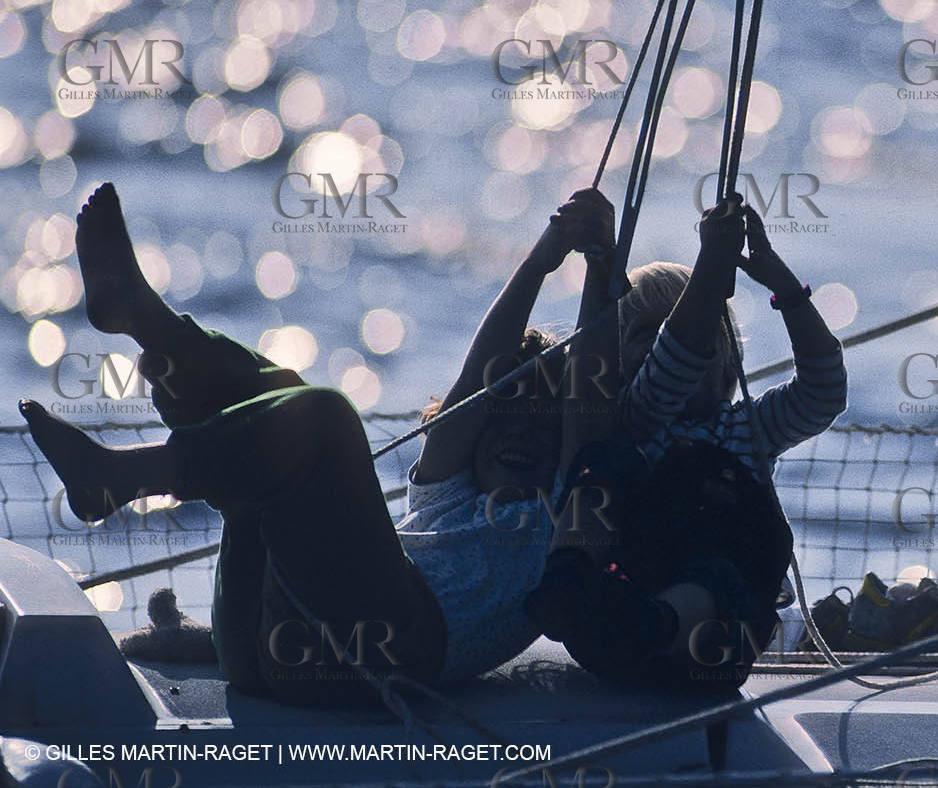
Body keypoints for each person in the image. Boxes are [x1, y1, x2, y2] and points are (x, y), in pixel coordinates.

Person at [20, 182, 607, 704]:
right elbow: (483, 373)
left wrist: (603, 263)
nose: (523, 436)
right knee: (286, 398)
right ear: (477, 428)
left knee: (323, 418)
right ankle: (143, 316)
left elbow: (590, 402)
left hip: (380, 656)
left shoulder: (563, 510)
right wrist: (541, 261)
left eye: (541, 427)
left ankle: (122, 476)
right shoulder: (448, 487)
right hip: (259, 641)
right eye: (506, 420)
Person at [527, 194, 848, 690]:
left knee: (713, 574)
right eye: (641, 336)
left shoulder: (747, 429)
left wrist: (784, 287)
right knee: (600, 464)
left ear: (727, 358)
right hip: (606, 611)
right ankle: (569, 577)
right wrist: (711, 266)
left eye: (670, 330)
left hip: (713, 637)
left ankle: (657, 623)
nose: (658, 345)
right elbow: (672, 368)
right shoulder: (634, 420)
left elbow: (823, 393)